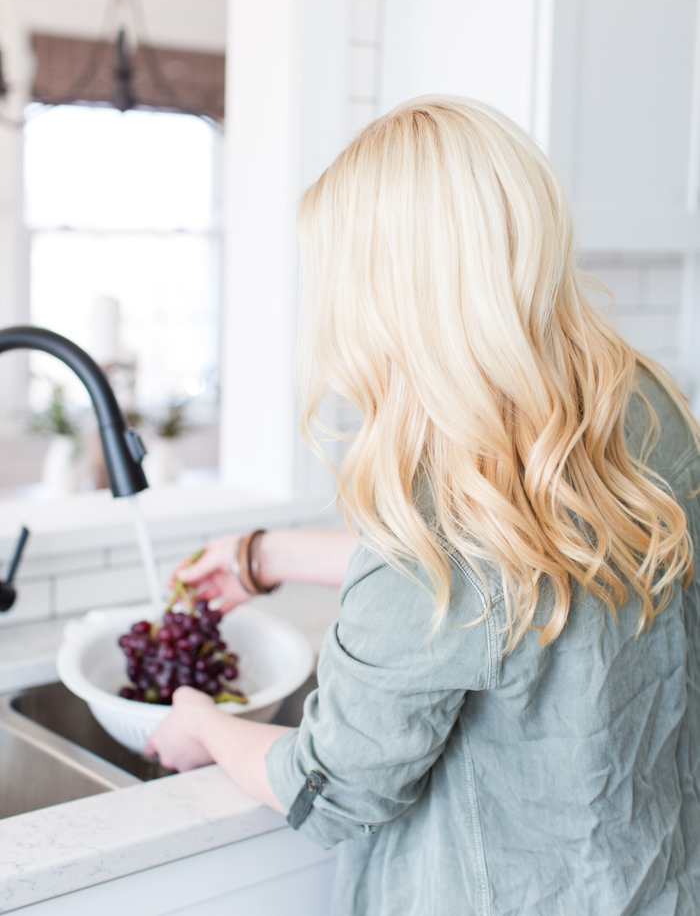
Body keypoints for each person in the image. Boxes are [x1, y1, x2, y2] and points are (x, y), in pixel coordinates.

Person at [145, 96, 700, 916]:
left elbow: (333, 787)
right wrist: (267, 554)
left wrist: (201, 724)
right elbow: (508, 577)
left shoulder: (438, 503)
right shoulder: (637, 403)